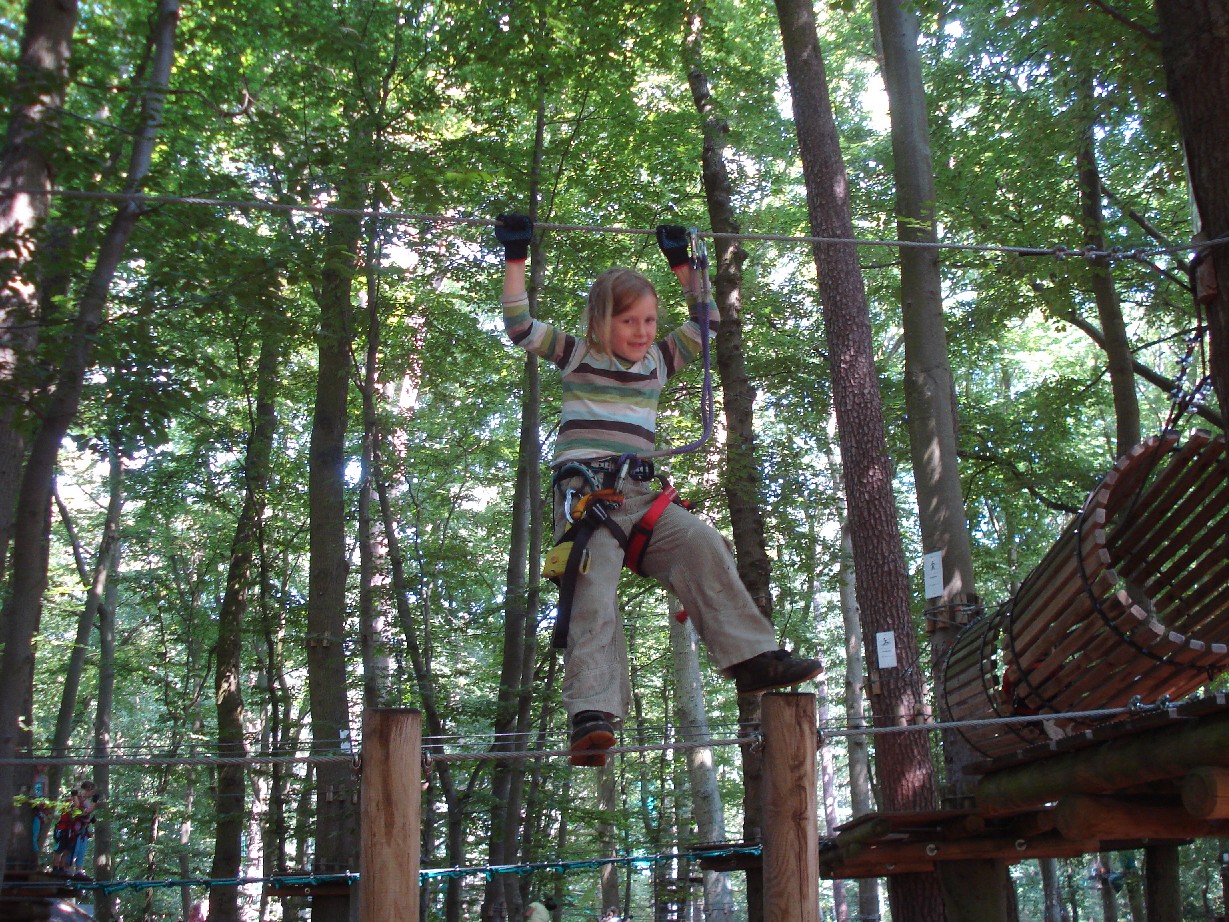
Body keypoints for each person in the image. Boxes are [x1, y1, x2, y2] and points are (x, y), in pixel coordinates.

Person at [496, 214, 823, 766]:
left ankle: (751, 659)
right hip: (589, 500)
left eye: (649, 320)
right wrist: (515, 260)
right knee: (592, 589)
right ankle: (592, 714)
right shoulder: (577, 355)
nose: (643, 332)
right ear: (602, 322)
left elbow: (706, 323)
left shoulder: (656, 362)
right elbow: (521, 327)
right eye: (629, 322)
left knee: (702, 544)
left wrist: (685, 270)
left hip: (643, 497)